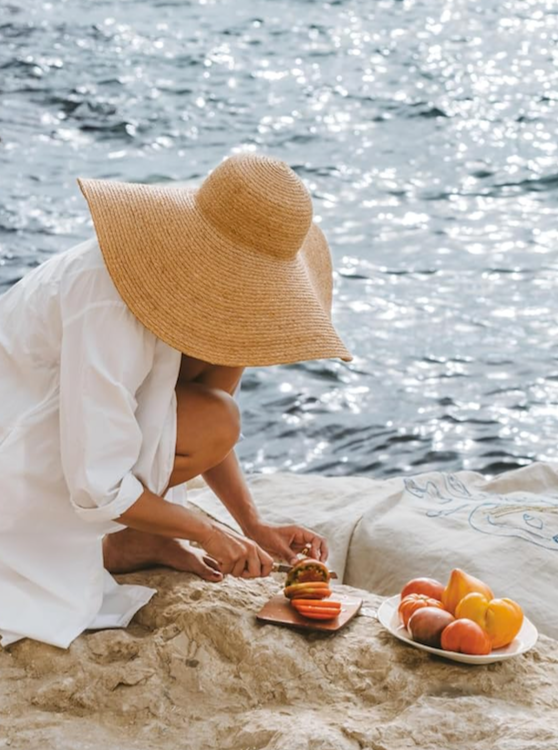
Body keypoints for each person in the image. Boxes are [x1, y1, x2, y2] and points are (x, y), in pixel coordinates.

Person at [0, 153, 352, 649]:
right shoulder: (107, 304)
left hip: (76, 435)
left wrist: (252, 524)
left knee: (225, 379)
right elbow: (96, 483)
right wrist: (206, 531)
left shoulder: (192, 294)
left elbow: (194, 422)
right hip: (17, 446)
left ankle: (137, 536)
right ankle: (119, 540)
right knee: (217, 416)